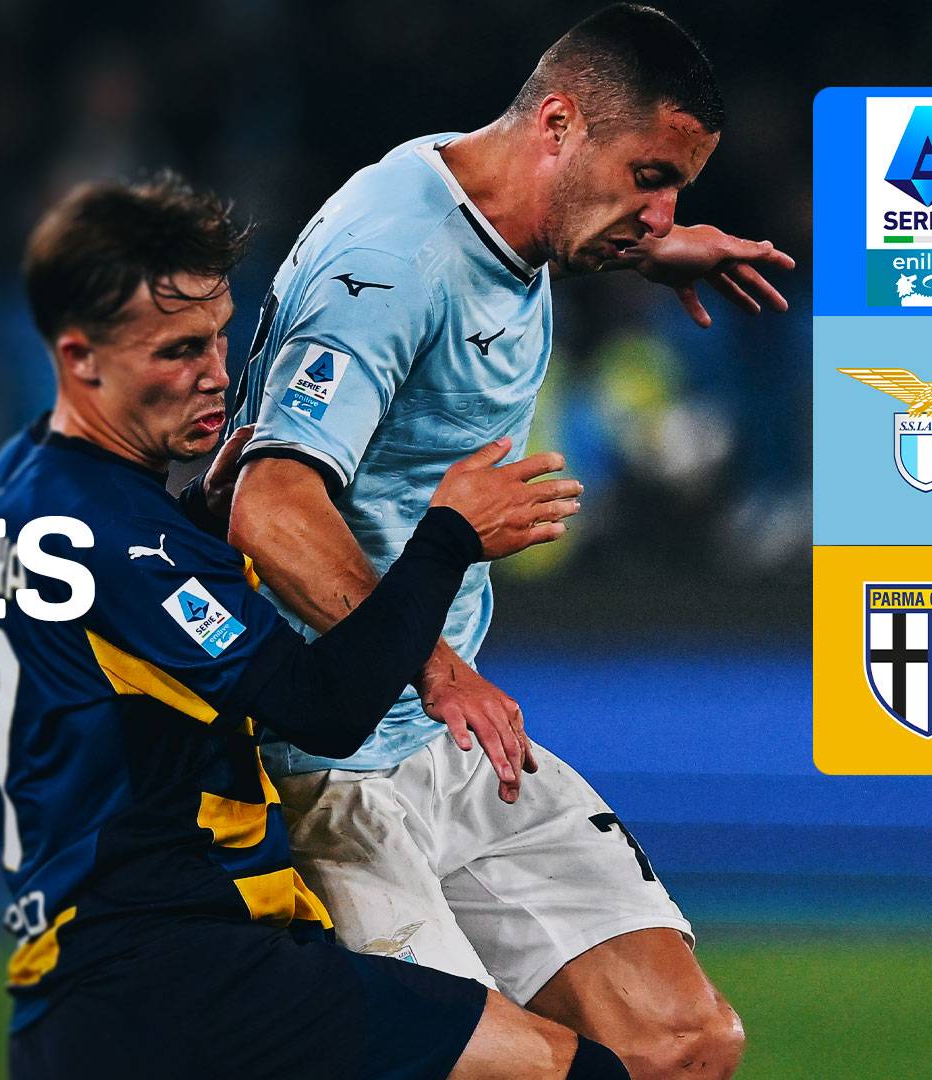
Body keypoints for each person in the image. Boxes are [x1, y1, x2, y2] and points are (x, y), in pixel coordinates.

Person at [226, 7, 794, 1079]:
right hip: (333, 765)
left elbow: (489, 256)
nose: (663, 210)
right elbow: (270, 503)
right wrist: (438, 669)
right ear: (560, 123)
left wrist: (647, 247)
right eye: (650, 179)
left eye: (677, 190)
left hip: (451, 747)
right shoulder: (388, 260)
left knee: (682, 1045)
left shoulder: (490, 199)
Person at [0, 174, 628, 1079]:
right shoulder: (114, 536)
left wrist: (197, 525)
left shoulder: (23, 479)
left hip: (100, 977)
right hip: (176, 978)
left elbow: (124, 641)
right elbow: (325, 709)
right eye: (178, 350)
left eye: (220, 335)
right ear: (81, 358)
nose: (217, 373)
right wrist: (447, 536)